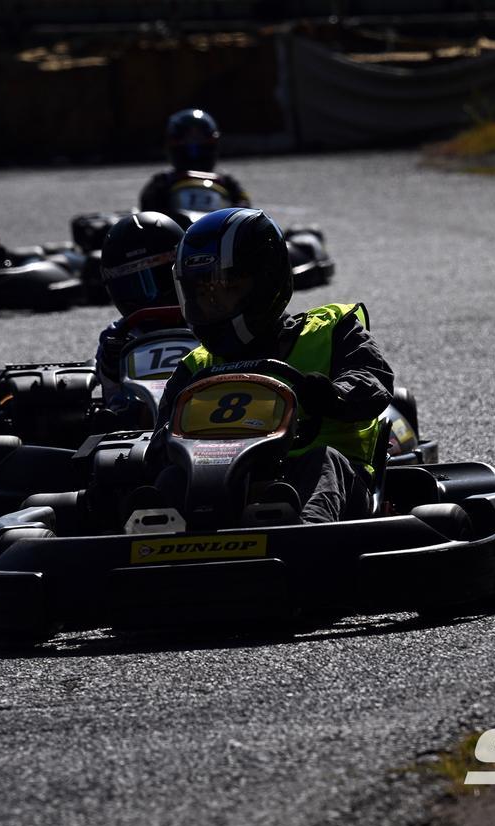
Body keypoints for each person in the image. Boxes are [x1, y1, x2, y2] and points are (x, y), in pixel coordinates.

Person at [147, 207, 392, 524]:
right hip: (221, 484)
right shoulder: (196, 367)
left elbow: (372, 381)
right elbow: (159, 446)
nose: (212, 304)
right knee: (170, 477)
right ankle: (149, 533)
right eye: (202, 292)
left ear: (266, 282)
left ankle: (307, 531)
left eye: (228, 288)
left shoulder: (331, 331)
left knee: (324, 461)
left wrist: (332, 395)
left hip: (331, 485)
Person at [94, 211, 187, 411]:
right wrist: (110, 370)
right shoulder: (118, 336)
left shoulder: (208, 322)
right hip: (140, 420)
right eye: (132, 286)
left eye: (161, 280)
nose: (151, 298)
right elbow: (111, 397)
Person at [138, 109, 250, 220]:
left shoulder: (226, 181)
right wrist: (174, 216)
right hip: (179, 229)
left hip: (217, 227)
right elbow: (149, 209)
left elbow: (244, 206)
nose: (194, 144)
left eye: (199, 138)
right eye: (188, 138)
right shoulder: (163, 181)